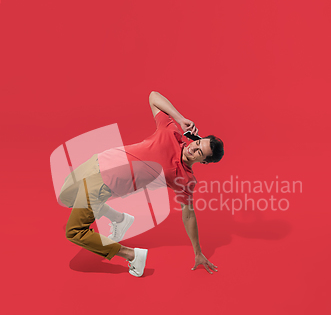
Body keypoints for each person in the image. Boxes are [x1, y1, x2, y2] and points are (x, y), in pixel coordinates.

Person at [59, 91, 224, 277]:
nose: (193, 148)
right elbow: (153, 96)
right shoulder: (171, 132)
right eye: (198, 143)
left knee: (73, 231)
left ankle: (132, 255)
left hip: (104, 184)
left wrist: (198, 252)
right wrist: (181, 118)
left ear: (203, 162)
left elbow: (188, 216)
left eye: (200, 152)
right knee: (66, 196)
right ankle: (120, 220)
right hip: (98, 161)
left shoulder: (184, 178)